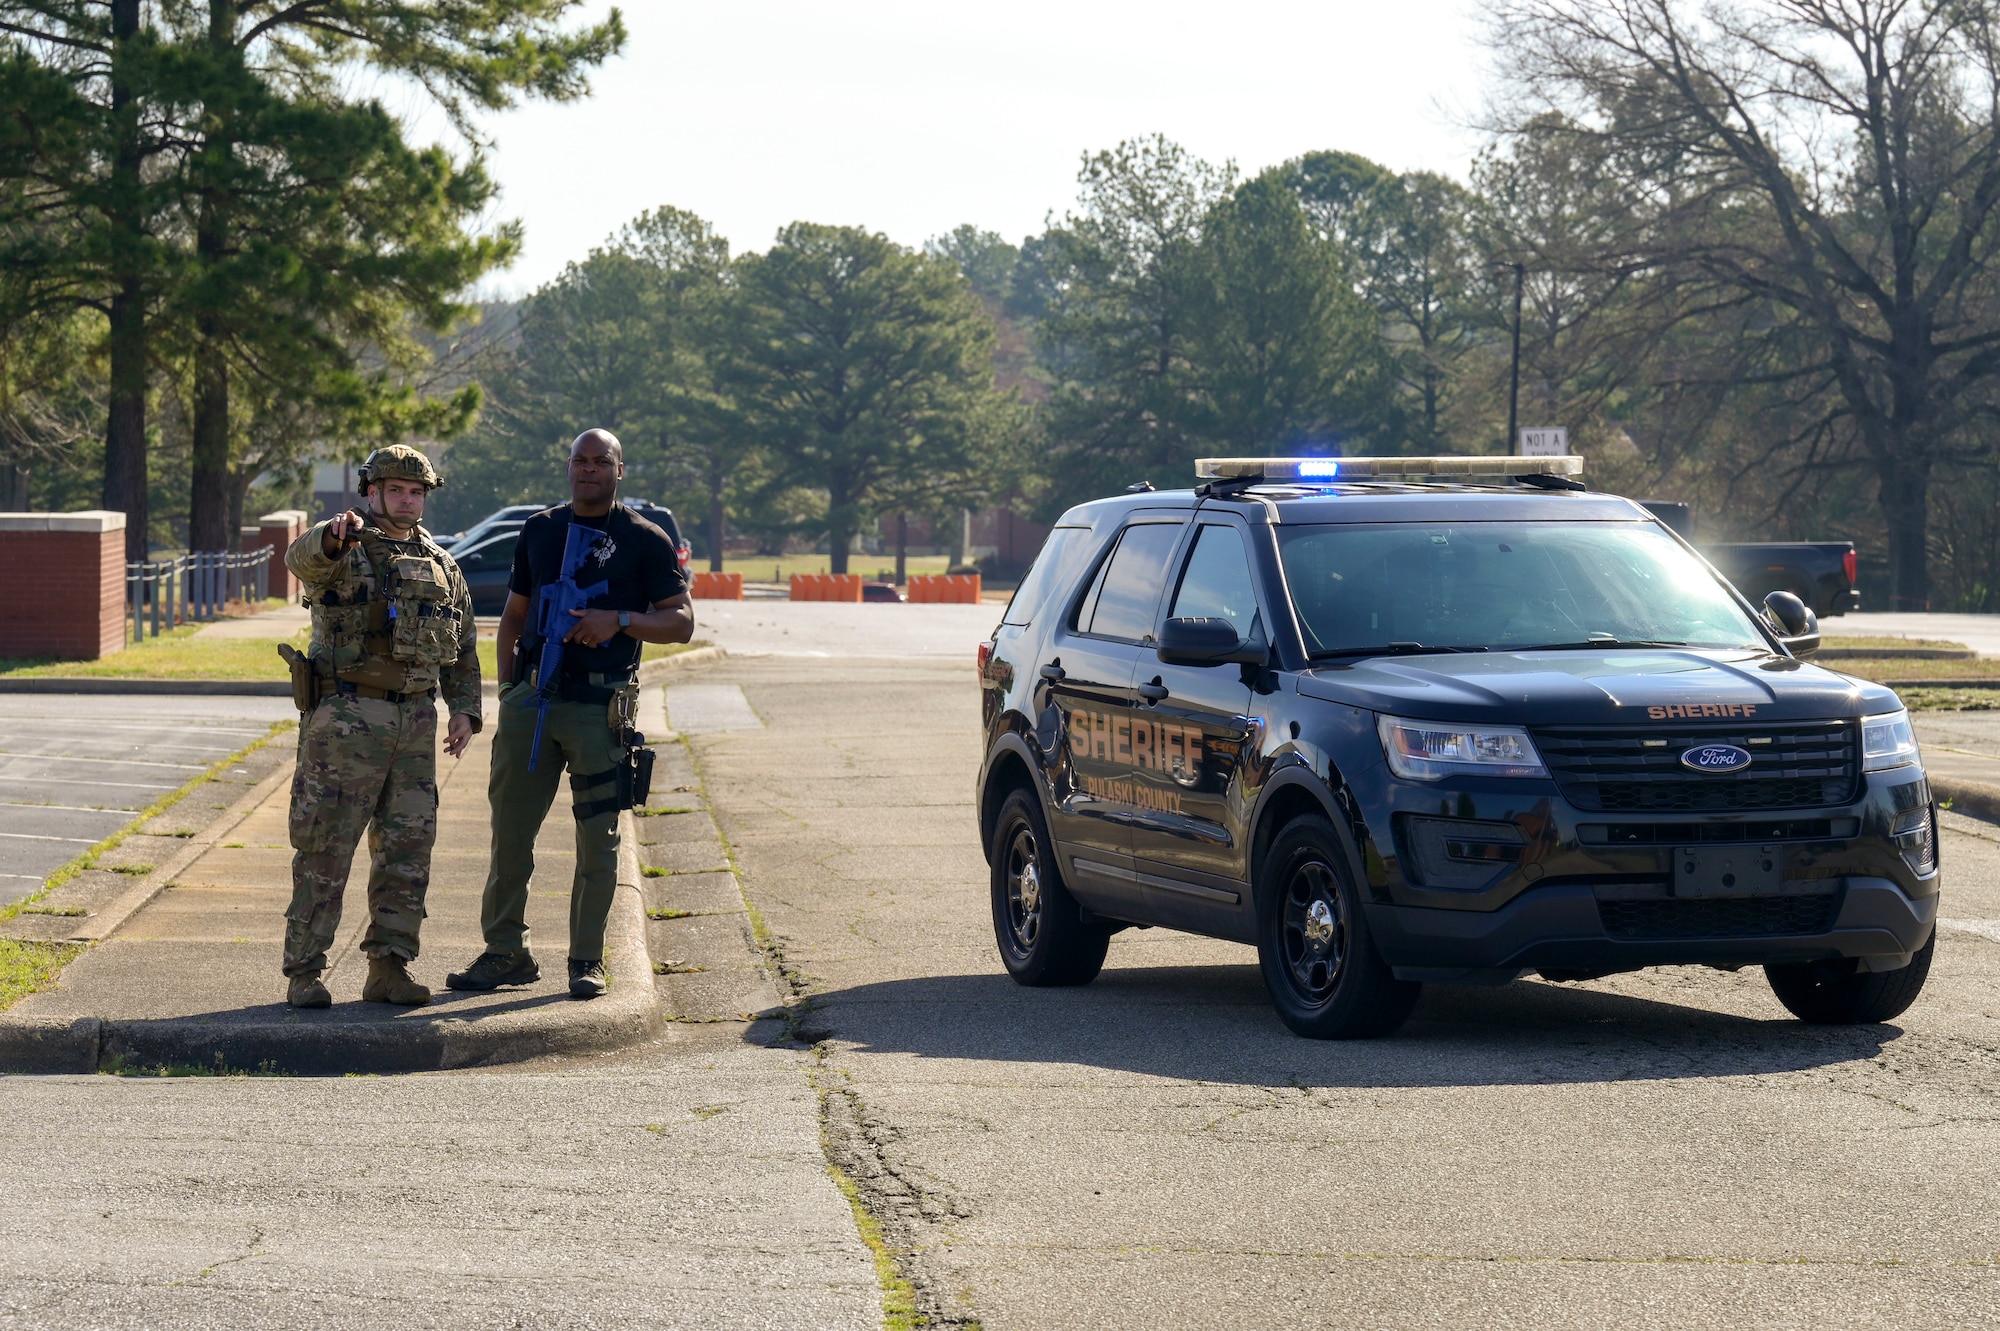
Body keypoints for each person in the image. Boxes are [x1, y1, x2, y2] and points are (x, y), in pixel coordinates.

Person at [448, 429, 694, 999]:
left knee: (597, 841)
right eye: (580, 461)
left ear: (619, 470)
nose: (589, 470)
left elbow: (681, 623)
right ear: (569, 467)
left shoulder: (646, 539)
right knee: (510, 835)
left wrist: (619, 620)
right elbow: (514, 614)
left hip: (598, 708)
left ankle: (586, 959)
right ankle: (504, 952)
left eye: (601, 461)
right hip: (532, 705)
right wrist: (509, 686)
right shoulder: (540, 529)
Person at [281, 444, 481, 1009]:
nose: (408, 499)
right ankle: (305, 972)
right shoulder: (345, 544)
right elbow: (302, 561)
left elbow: (463, 647)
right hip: (348, 718)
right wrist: (330, 538)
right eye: (396, 490)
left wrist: (464, 709)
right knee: (326, 844)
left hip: (415, 722)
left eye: (416, 492)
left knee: (407, 849)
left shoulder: (444, 564)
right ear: (372, 492)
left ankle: (389, 968)